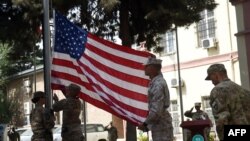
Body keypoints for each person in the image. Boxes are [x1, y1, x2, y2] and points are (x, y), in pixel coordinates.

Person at [205, 63, 250, 141]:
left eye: (211, 79)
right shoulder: (243, 91)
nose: (212, 82)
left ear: (216, 75)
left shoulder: (218, 90)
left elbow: (221, 119)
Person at [138, 57, 174, 141]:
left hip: (162, 127)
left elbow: (157, 110)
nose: (145, 68)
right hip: (159, 125)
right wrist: (147, 126)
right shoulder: (155, 82)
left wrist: (145, 124)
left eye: (147, 66)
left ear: (153, 68)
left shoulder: (158, 84)